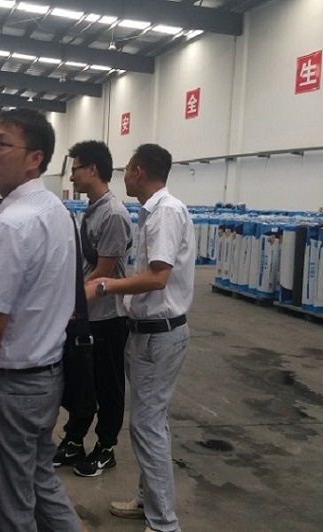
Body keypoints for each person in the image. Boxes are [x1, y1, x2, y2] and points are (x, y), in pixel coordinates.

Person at [0, 108, 87, 532]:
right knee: (41, 480)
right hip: (47, 377)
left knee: (10, 509)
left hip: (13, 386)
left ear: (34, 159)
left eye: (2, 143)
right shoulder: (56, 210)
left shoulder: (13, 223)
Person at [85, 143, 196, 532]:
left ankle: (164, 523)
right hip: (150, 334)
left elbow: (158, 277)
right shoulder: (156, 212)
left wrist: (103, 286)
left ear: (139, 171)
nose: (124, 177)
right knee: (153, 423)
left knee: (147, 427)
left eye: (127, 169)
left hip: (158, 336)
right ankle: (149, 501)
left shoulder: (165, 213)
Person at [53, 141, 131, 478]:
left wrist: (73, 302)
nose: (71, 175)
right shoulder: (93, 209)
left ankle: (106, 446)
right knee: (81, 382)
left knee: (107, 385)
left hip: (107, 317)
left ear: (93, 170)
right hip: (85, 315)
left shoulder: (113, 214)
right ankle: (74, 440)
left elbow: (104, 273)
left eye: (75, 169)